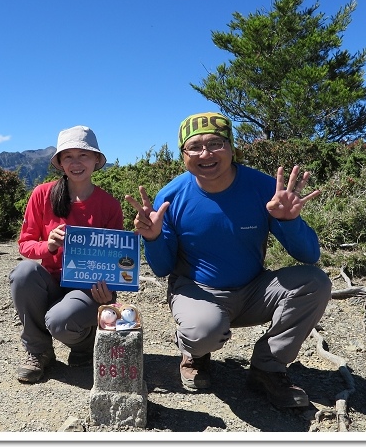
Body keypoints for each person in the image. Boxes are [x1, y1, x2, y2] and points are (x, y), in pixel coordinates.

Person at [125, 112, 332, 408]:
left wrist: (289, 222)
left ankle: (267, 369)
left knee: (315, 283)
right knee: (203, 330)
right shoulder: (172, 196)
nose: (205, 154)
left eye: (216, 143)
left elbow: (309, 255)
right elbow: (161, 268)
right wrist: (154, 237)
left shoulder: (262, 188)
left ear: (232, 147)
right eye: (194, 147)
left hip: (252, 290)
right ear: (183, 154)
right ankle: (194, 354)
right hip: (196, 289)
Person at [9, 125, 124, 384]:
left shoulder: (109, 205)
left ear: (96, 160)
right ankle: (38, 351)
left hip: (88, 288)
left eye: (83, 155)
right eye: (68, 156)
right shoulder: (42, 194)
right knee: (23, 272)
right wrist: (47, 246)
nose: (76, 163)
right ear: (60, 163)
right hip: (51, 281)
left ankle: (84, 345)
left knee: (59, 321)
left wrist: (110, 293)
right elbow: (25, 244)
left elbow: (115, 259)